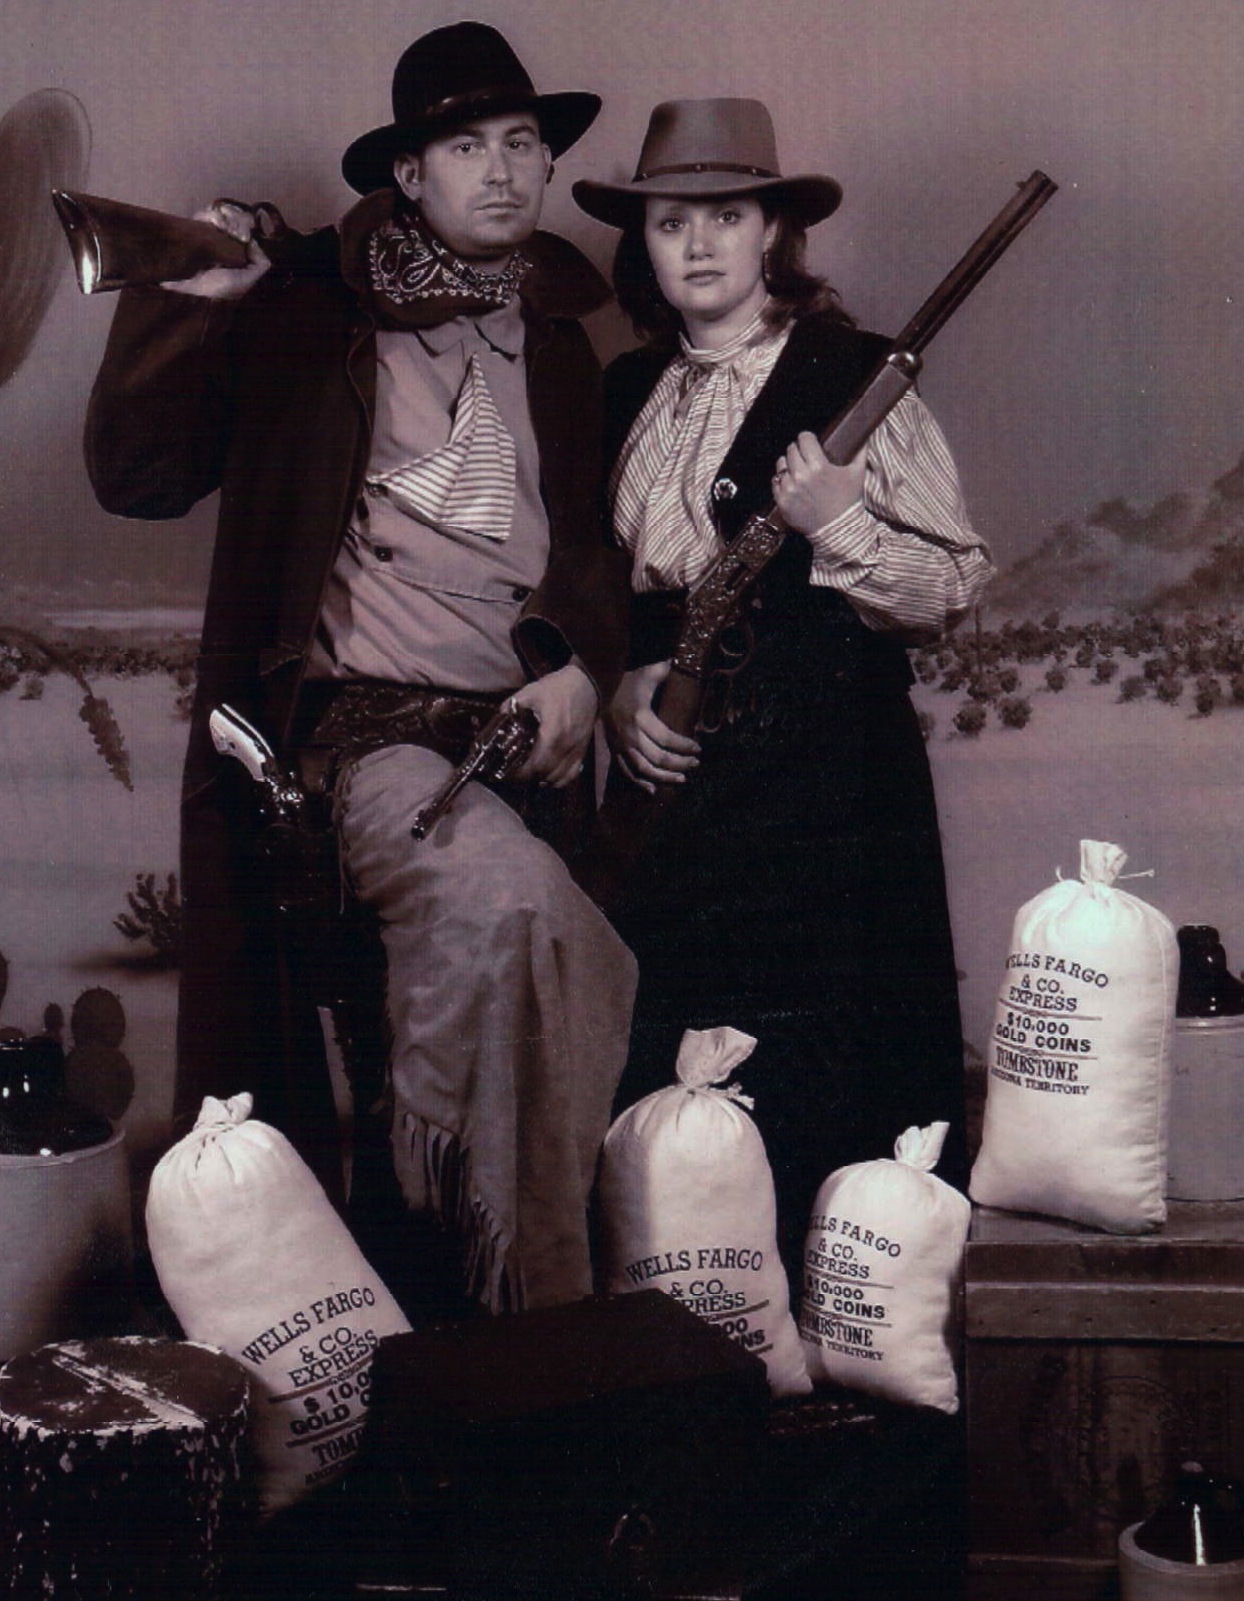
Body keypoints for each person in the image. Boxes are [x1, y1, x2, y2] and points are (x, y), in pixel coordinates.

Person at [85, 22, 637, 1313]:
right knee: (512, 907)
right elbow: (138, 477)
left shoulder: (562, 340)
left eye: (522, 143)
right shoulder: (304, 313)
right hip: (365, 739)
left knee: (577, 949)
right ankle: (517, 1288)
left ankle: (491, 1294)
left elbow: (594, 546)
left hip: (529, 736)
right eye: (466, 145)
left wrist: (581, 664)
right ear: (408, 171)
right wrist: (181, 306)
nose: (501, 169)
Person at [573, 99, 993, 1283]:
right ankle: (696, 1337)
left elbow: (951, 589)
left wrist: (839, 522)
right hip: (679, 783)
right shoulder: (624, 388)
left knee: (833, 1076)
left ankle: (850, 1335)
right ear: (642, 243)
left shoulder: (851, 375)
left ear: (771, 232)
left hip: (831, 788)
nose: (698, 243)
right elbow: (599, 592)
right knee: (671, 1086)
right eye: (671, 222)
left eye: (725, 215)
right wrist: (616, 688)